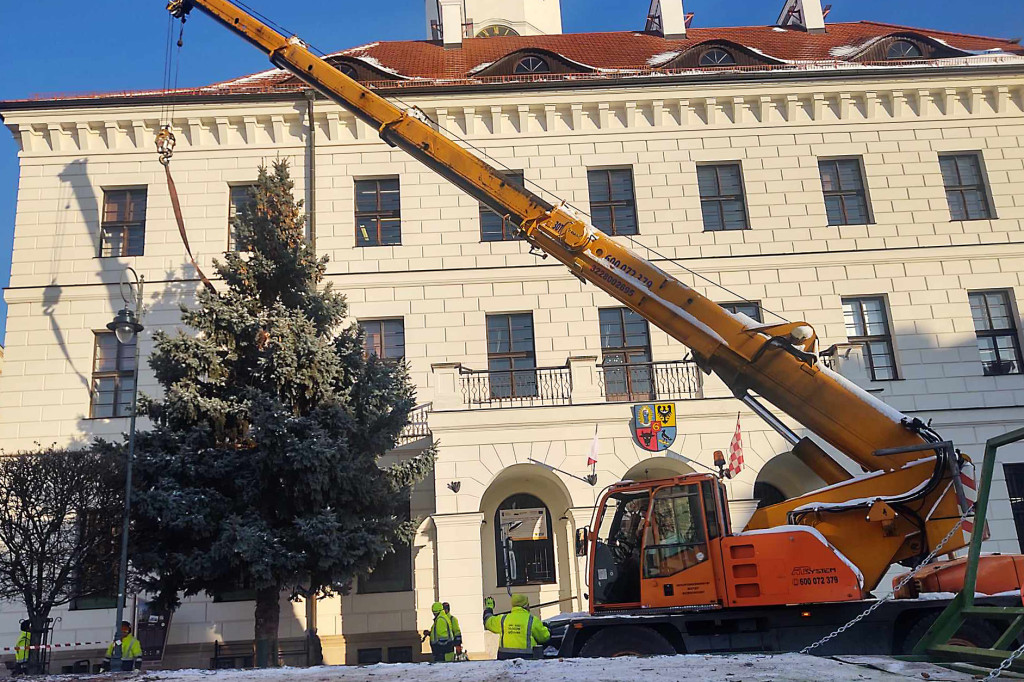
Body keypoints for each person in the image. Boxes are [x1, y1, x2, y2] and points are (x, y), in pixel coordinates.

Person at [482, 594, 550, 660]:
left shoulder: (503, 619)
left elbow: (487, 622)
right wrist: (547, 629)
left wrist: (489, 608)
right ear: (526, 606)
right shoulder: (532, 620)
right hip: (527, 658)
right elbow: (544, 637)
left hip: (505, 657)